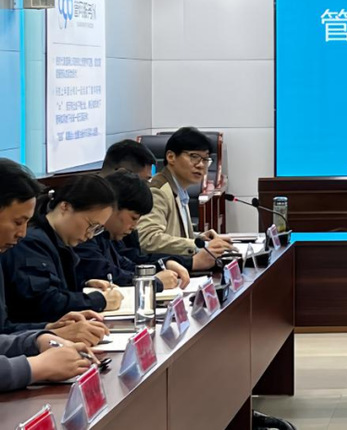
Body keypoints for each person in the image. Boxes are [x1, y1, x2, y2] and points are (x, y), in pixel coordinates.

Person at [0, 160, 110, 347]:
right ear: (65, 207)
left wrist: (50, 328)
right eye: (18, 222)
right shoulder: (31, 243)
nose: (22, 233)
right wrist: (46, 336)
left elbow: (4, 330)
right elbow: (43, 303)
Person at [76, 170, 203, 291]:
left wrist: (165, 263)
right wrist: (154, 282)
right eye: (133, 218)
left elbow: (127, 265)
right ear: (112, 208)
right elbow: (107, 274)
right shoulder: (84, 237)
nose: (135, 226)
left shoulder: (106, 236)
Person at [135, 127, 233, 258]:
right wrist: (200, 246)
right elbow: (148, 239)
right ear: (171, 157)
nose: (201, 165)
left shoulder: (179, 187)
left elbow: (173, 234)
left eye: (205, 159)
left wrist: (199, 238)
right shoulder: (158, 191)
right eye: (194, 157)